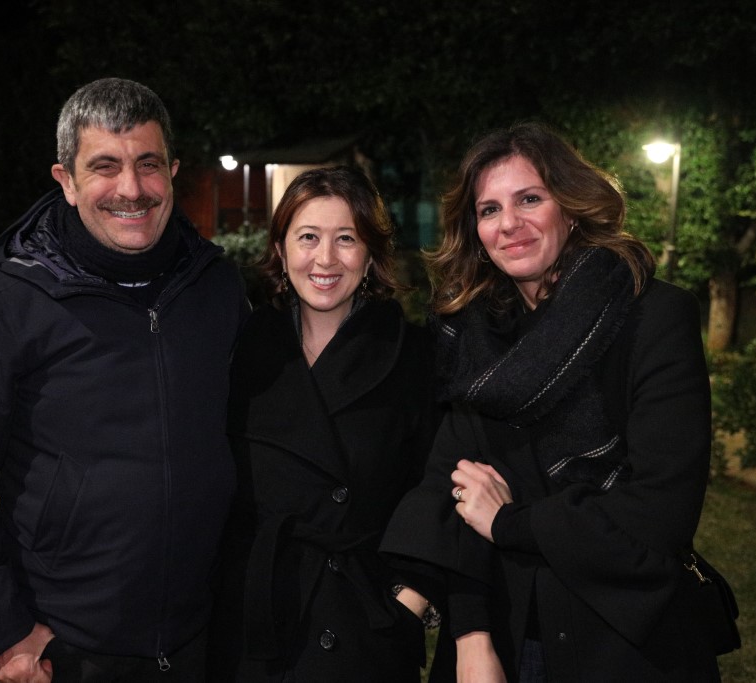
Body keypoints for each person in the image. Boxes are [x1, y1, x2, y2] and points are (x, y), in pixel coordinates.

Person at [0, 77, 248, 683]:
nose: (132, 189)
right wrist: (0, 629)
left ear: (173, 171)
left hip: (203, 633)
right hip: (68, 644)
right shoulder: (4, 301)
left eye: (148, 164)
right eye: (105, 166)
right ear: (66, 181)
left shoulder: (217, 287)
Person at [380, 122, 720, 681]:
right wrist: (470, 635)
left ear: (571, 207)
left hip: (625, 641)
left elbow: (660, 513)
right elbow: (451, 488)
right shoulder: (475, 338)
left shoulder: (654, 317)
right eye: (489, 209)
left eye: (530, 199)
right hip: (503, 635)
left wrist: (511, 523)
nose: (508, 224)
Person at [207, 166, 443, 682]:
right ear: (281, 247)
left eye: (346, 239)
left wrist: (411, 595)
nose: (326, 259)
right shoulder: (241, 348)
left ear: (371, 253)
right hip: (257, 624)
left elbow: (439, 486)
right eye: (308, 237)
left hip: (365, 627)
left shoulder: (414, 355)